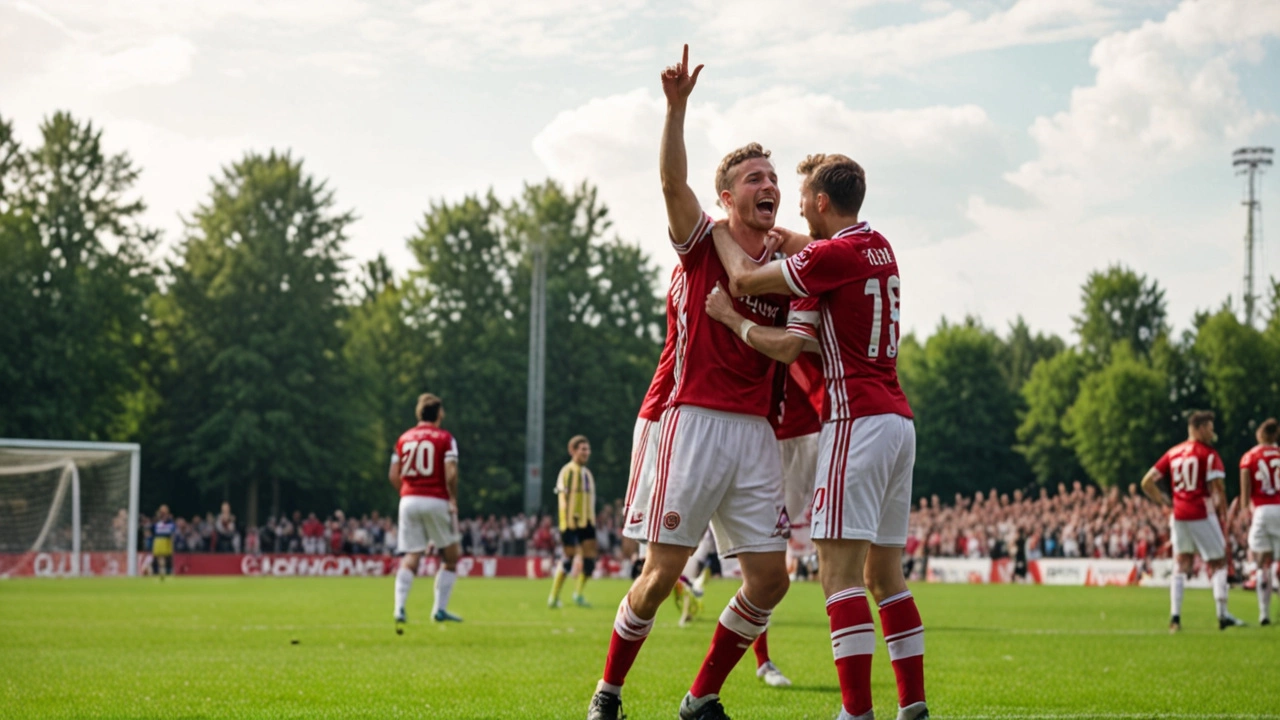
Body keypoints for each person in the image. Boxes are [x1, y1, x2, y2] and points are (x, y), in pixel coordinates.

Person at [586, 44, 792, 720]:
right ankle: (608, 694)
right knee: (660, 575)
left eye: (774, 176)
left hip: (757, 430)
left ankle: (700, 697)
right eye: (755, 177)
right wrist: (676, 110)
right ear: (728, 197)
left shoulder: (791, 262)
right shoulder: (701, 240)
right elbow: (673, 185)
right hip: (693, 418)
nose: (769, 184)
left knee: (770, 580)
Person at [710, 153, 928, 720]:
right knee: (887, 576)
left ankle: (855, 711)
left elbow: (743, 280)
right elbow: (817, 260)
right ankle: (913, 706)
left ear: (822, 202)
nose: (796, 201)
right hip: (898, 421)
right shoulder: (877, 245)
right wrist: (795, 240)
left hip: (854, 420)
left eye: (803, 195)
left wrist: (726, 279)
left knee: (837, 573)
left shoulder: (829, 257)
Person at [1141, 410, 1244, 631]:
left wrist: (1165, 501)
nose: (1212, 432)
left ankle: (1175, 618)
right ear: (1197, 428)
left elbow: (1147, 482)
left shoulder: (1173, 453)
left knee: (1181, 564)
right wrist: (1224, 514)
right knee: (1219, 562)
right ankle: (1223, 615)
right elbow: (1219, 488)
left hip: (1179, 515)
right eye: (1208, 427)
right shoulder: (1208, 454)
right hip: (1201, 512)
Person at [390, 392, 463, 631]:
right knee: (451, 556)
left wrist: (409, 491)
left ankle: (399, 607)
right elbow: (450, 471)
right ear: (439, 414)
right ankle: (439, 609)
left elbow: (393, 474)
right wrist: (452, 497)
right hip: (436, 499)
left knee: (412, 555)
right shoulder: (445, 438)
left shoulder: (403, 438)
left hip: (408, 500)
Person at [550, 435, 599, 608]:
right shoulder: (567, 471)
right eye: (583, 449)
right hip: (570, 522)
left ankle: (578, 594)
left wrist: (592, 520)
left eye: (588, 449)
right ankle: (554, 597)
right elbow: (563, 498)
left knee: (590, 560)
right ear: (573, 451)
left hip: (587, 522)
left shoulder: (587, 474)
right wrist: (566, 522)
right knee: (568, 558)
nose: (587, 452)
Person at [1240, 417, 1280, 625]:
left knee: (1262, 561)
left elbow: (1245, 487)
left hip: (1262, 510)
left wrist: (1245, 510)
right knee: (1277, 562)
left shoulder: (1250, 457)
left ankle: (1263, 613)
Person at [152, 505, 175, 578]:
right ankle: (162, 571)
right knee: (160, 556)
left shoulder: (169, 519)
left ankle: (167, 570)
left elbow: (172, 529)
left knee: (166, 557)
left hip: (166, 539)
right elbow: (153, 529)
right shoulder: (157, 519)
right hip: (159, 539)